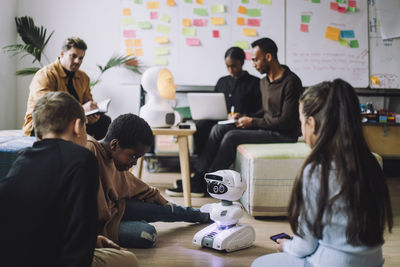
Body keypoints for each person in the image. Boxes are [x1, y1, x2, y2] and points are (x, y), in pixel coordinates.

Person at [251, 79, 393, 267]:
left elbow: (306, 247)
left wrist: (288, 245)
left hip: (332, 263)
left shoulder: (317, 170)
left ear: (312, 123)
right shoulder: (370, 163)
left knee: (260, 264)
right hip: (373, 262)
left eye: (301, 122)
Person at [0, 92, 138, 267]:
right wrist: (88, 243)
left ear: (38, 135)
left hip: (12, 256)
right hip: (52, 259)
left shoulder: (21, 160)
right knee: (128, 260)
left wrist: (93, 240)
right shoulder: (82, 159)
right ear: (78, 126)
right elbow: (80, 229)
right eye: (86, 129)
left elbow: (37, 221)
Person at [166, 37, 303, 197]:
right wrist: (244, 116)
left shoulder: (291, 82)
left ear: (268, 57)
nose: (253, 64)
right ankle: (198, 177)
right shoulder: (265, 82)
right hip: (268, 126)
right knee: (219, 129)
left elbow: (285, 121)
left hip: (283, 134)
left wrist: (252, 122)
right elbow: (265, 112)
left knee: (231, 137)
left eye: (255, 60)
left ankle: (206, 182)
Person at [85, 113, 211, 248]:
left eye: (137, 158)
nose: (134, 163)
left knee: (167, 208)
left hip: (116, 208)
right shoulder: (89, 152)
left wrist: (157, 199)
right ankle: (135, 221)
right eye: (133, 157)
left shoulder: (114, 158)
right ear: (115, 145)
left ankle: (207, 216)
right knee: (147, 234)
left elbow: (131, 183)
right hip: (98, 225)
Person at [23, 36, 111, 140]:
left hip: (73, 120)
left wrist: (92, 114)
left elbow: (88, 100)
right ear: (62, 54)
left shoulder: (83, 77)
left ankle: (92, 152)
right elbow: (46, 109)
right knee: (61, 123)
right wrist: (81, 109)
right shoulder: (45, 74)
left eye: (81, 58)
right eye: (73, 56)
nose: (77, 61)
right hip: (46, 121)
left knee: (104, 121)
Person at [193, 46, 261, 155]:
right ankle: (200, 159)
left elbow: (260, 110)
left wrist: (243, 115)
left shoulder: (255, 83)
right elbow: (213, 105)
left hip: (240, 122)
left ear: (242, 62)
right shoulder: (222, 82)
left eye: (234, 66)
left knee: (218, 129)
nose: (230, 70)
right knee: (201, 126)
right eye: (227, 66)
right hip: (221, 119)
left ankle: (204, 165)